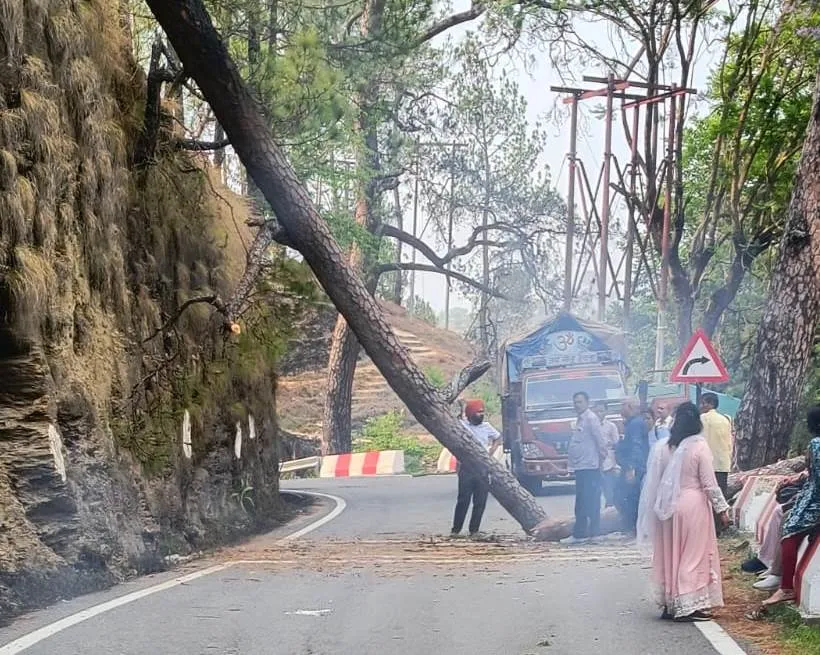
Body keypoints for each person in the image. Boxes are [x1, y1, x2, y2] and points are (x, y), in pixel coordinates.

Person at [637, 402, 731, 622]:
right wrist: (722, 510)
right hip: (693, 505)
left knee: (670, 554)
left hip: (666, 508)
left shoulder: (665, 447)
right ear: (697, 423)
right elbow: (709, 484)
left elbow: (655, 482)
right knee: (693, 556)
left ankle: (670, 603)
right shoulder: (699, 447)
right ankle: (687, 603)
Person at [762, 407, 820, 607]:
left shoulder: (816, 444)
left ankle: (785, 586)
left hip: (815, 500)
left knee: (790, 529)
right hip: (812, 496)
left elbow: (817, 478)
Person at [451, 399, 501, 537]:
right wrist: (462, 407)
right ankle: (456, 530)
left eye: (482, 412)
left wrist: (491, 451)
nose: (481, 414)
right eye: (478, 412)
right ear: (471, 414)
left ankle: (474, 530)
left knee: (480, 501)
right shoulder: (463, 426)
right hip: (467, 467)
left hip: (483, 467)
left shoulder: (486, 426)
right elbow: (456, 421)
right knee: (463, 500)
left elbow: (498, 437)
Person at [563, 391, 606, 544]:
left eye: (580, 402)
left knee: (592, 500)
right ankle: (581, 533)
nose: (576, 405)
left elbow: (601, 443)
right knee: (581, 501)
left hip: (590, 466)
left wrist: (600, 463)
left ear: (587, 402)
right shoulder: (580, 420)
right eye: (575, 402)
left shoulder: (591, 419)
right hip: (581, 466)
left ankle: (593, 533)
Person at [616, 396, 650, 533]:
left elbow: (636, 446)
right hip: (631, 466)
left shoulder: (635, 424)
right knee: (625, 496)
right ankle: (632, 527)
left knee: (627, 497)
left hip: (634, 467)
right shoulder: (632, 423)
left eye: (622, 405)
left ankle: (634, 528)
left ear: (629, 407)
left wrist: (631, 468)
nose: (620, 409)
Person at [699, 392, 733, 500]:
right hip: (723, 464)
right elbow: (729, 443)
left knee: (707, 497)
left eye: (703, 403)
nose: (701, 406)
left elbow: (700, 439)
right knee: (720, 497)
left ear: (710, 404)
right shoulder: (725, 419)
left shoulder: (703, 418)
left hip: (708, 464)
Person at [593, 401, 621, 508]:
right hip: (594, 464)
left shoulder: (611, 426)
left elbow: (616, 444)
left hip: (608, 464)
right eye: (597, 411)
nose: (599, 413)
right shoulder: (590, 426)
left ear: (606, 412)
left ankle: (609, 512)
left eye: (601, 411)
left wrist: (616, 465)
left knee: (609, 492)